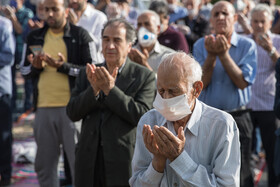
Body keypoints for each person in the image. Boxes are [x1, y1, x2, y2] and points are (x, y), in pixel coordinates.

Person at [66, 18, 156, 187]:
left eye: (117, 40)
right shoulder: (90, 72)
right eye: (106, 39)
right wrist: (93, 90)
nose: (110, 46)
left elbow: (142, 115)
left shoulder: (144, 76)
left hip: (122, 161)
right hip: (88, 160)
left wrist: (110, 90)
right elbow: (72, 112)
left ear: (129, 46)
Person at [129, 52, 240, 186]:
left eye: (173, 91)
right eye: (161, 91)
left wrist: (179, 159)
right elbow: (136, 184)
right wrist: (157, 164)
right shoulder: (149, 121)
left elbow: (227, 184)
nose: (166, 99)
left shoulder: (221, 125)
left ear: (196, 90)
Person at [21, 0, 94, 185]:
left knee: (80, 165)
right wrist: (35, 67)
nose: (50, 14)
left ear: (66, 10)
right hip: (43, 109)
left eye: (55, 9)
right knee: (45, 166)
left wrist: (64, 67)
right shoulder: (34, 37)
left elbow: (91, 72)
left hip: (74, 110)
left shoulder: (81, 35)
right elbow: (23, 71)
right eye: (46, 10)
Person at [193, 1, 257, 187]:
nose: (221, 17)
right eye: (216, 14)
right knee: (207, 167)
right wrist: (211, 56)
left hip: (239, 116)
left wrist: (223, 54)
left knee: (242, 170)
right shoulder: (201, 44)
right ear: (211, 19)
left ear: (235, 18)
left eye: (225, 13)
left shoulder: (247, 45)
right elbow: (200, 85)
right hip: (207, 117)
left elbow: (242, 82)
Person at [246, 4, 280, 187]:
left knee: (273, 151)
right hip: (246, 105)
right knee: (246, 153)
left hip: (268, 103)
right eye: (255, 21)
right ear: (250, 22)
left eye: (263, 21)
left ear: (270, 22)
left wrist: (271, 50)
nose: (259, 25)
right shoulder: (244, 41)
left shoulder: (277, 40)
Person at [2, 0, 34, 118]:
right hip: (10, 52)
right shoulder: (5, 14)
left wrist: (12, 18)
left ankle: (27, 106)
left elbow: (20, 30)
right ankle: (13, 105)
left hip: (22, 50)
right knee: (11, 79)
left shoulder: (27, 13)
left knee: (27, 79)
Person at [0, 15, 15, 186]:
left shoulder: (4, 25)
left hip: (1, 92)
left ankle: (5, 175)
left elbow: (9, 57)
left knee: (3, 135)